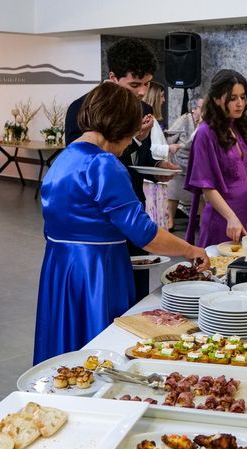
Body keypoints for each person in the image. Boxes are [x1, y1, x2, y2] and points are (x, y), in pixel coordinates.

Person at [35, 82, 209, 364]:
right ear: (119, 126)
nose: (129, 143)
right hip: (97, 269)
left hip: (59, 266)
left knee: (65, 341)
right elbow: (143, 232)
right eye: (130, 135)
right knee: (101, 346)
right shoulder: (103, 164)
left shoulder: (62, 158)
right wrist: (190, 250)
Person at [64, 38, 179, 303]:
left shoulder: (144, 109)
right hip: (95, 220)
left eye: (147, 84)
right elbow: (84, 165)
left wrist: (160, 168)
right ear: (113, 78)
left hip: (133, 208)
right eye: (134, 84)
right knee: (101, 297)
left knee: (136, 290)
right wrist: (136, 139)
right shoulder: (81, 110)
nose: (141, 92)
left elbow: (143, 161)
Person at [184, 69, 247, 247]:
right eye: (233, 98)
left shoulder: (237, 127)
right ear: (217, 99)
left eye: (243, 97)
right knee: (222, 271)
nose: (240, 104)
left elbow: (245, 169)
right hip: (224, 219)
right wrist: (231, 217)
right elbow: (206, 186)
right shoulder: (205, 133)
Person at [165, 94, 204, 231]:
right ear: (194, 109)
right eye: (202, 107)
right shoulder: (184, 120)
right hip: (180, 163)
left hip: (197, 165)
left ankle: (202, 222)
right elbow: (169, 138)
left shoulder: (206, 123)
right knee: (174, 191)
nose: (205, 110)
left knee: (201, 194)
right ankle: (170, 219)